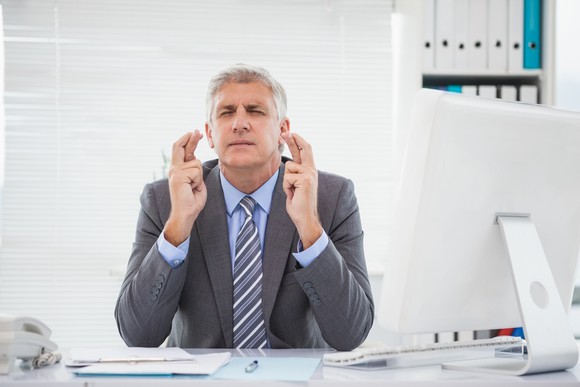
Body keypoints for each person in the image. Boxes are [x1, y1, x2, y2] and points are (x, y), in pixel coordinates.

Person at [115, 64, 374, 350]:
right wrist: (177, 228)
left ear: (282, 130)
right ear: (210, 135)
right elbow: (137, 335)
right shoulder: (164, 200)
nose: (239, 123)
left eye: (255, 111)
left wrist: (310, 228)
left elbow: (352, 334)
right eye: (226, 113)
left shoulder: (331, 197)